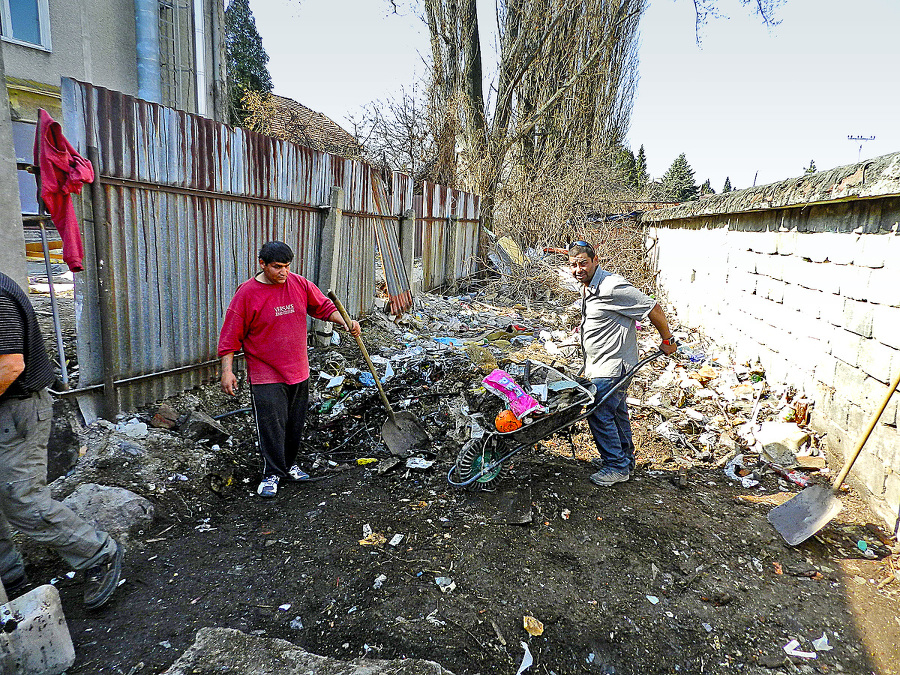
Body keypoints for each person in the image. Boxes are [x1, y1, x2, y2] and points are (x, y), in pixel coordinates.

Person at [0, 271, 122, 607]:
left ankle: (96, 552)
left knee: (22, 498)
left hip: (14, 409)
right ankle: (10, 580)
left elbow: (9, 366)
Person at [218, 241, 361, 498]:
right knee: (272, 424)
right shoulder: (247, 294)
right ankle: (272, 473)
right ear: (262, 264)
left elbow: (324, 308)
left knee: (294, 423)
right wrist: (227, 371)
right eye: (277, 267)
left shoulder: (299, 283)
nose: (283, 272)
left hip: (298, 369)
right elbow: (230, 336)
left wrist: (347, 322)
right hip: (266, 372)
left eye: (286, 266)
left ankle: (290, 464)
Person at [568, 241, 678, 487]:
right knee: (616, 412)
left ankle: (615, 466)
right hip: (600, 364)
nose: (578, 269)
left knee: (598, 411)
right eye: (573, 265)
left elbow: (652, 307)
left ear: (595, 261)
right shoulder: (588, 287)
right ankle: (625, 461)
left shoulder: (612, 286)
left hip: (613, 366)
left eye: (584, 263)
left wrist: (667, 339)